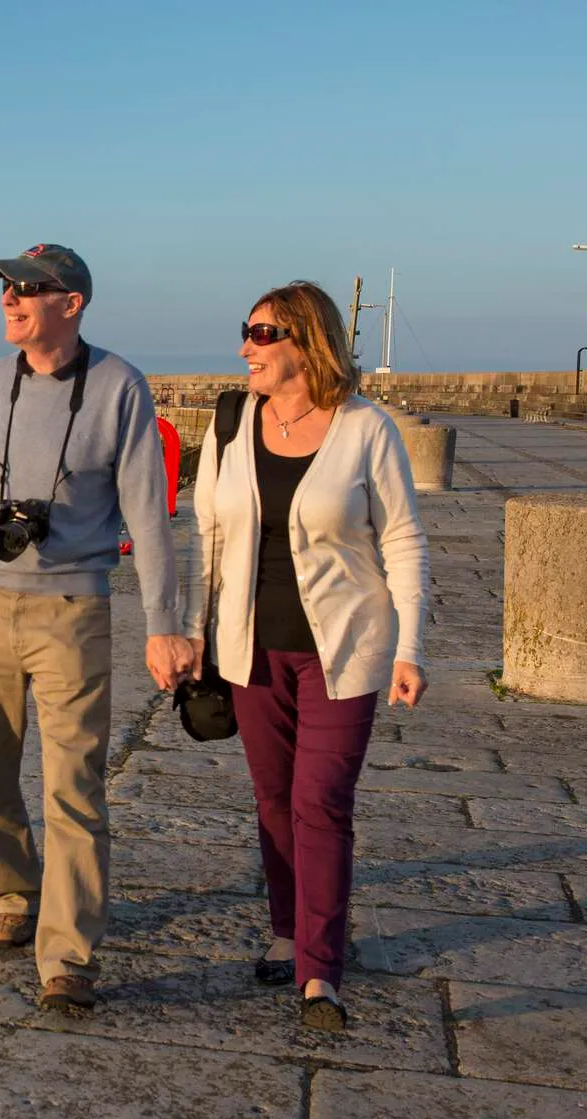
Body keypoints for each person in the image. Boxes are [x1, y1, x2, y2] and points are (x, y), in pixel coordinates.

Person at [0, 243, 193, 1013]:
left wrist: (165, 624)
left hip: (71, 610)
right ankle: (14, 894)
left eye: (28, 289)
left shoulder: (118, 388)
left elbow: (148, 513)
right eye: (5, 288)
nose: (10, 299)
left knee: (74, 787)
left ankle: (68, 955)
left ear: (71, 303)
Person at [186, 280, 429, 1032]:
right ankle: (287, 929)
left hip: (344, 648)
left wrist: (410, 648)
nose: (245, 349)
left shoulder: (365, 429)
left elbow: (403, 540)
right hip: (250, 648)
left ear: (306, 342)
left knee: (319, 804)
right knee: (272, 801)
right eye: (246, 332)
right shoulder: (230, 426)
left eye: (261, 335)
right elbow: (210, 537)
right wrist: (194, 634)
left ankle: (319, 969)